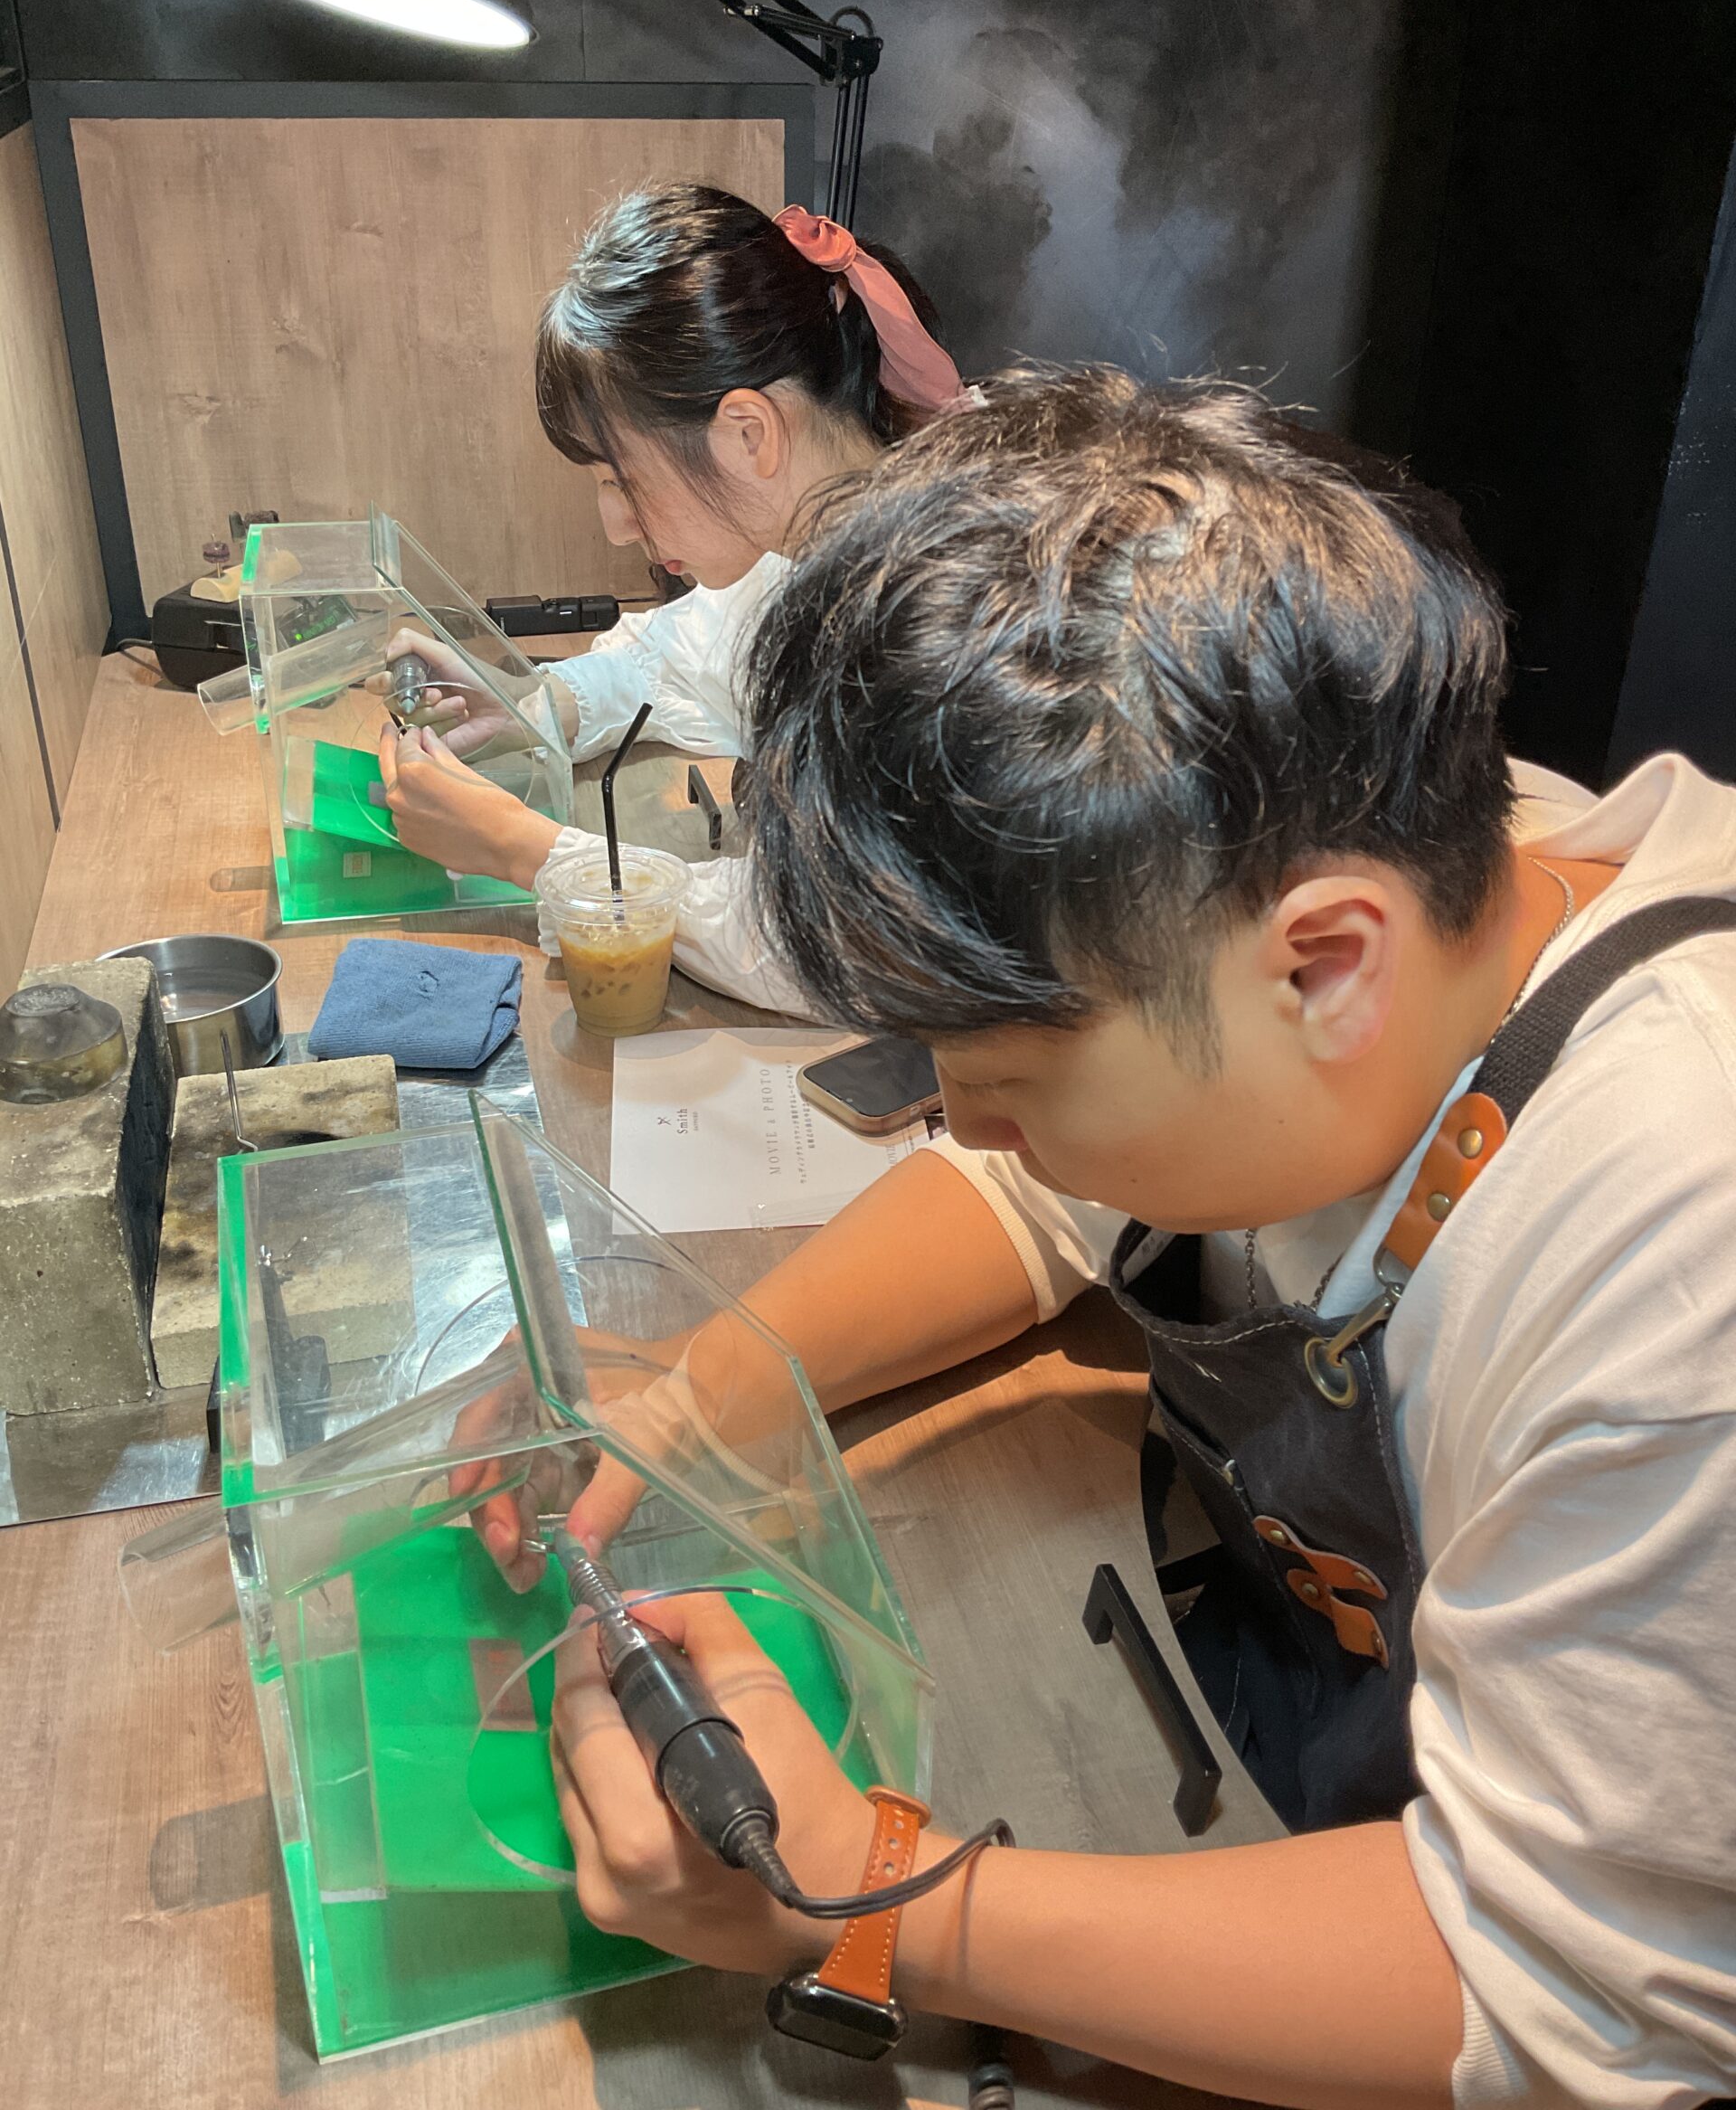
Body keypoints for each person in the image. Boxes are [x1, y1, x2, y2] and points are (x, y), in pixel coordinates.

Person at [489, 371, 1736, 2108]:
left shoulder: (1679, 1264)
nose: (963, 1124)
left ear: (1327, 968)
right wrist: (697, 1400)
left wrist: (869, 1903)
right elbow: (1043, 1191)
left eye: (1003, 1078)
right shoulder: (1332, 851)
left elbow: (1563, 1990)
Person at [373, 183, 969, 1012]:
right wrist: (536, 707)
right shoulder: (819, 538)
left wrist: (524, 850)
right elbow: (687, 654)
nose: (617, 527)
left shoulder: (934, 617)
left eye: (620, 478)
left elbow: (826, 945)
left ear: (748, 433)